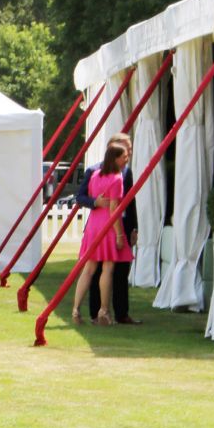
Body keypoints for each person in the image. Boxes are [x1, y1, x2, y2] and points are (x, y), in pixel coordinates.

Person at [71, 138, 133, 326]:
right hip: (108, 226)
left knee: (88, 269)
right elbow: (114, 208)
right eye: (124, 156)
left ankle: (75, 309)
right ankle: (104, 311)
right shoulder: (117, 178)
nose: (127, 158)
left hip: (93, 225)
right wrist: (120, 235)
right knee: (107, 269)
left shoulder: (96, 174)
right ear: (115, 158)